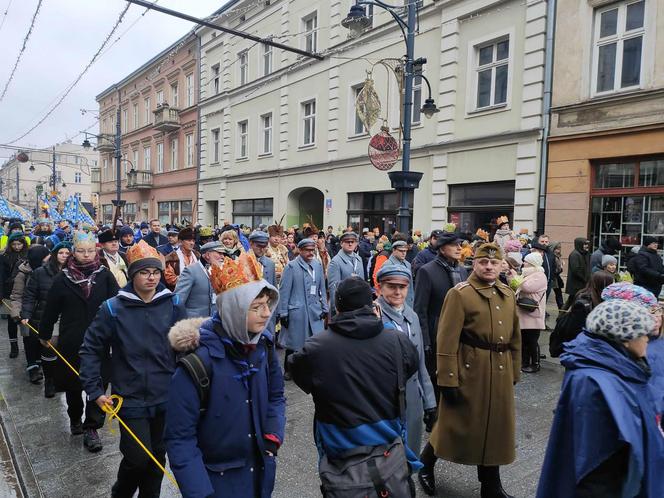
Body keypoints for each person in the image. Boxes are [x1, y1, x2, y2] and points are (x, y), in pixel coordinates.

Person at [165, 253, 285, 498]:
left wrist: (272, 437)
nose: (265, 314)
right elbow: (180, 439)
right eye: (256, 307)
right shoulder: (197, 364)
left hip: (259, 473)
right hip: (216, 481)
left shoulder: (264, 346)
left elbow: (276, 395)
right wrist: (200, 493)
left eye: (267, 305)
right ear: (234, 309)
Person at [288, 278, 421, 488]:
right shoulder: (396, 340)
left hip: (339, 442)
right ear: (372, 305)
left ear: (337, 307)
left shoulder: (316, 347)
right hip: (387, 439)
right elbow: (410, 367)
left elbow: (297, 372)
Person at [80, 240, 186, 498]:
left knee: (157, 455)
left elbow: (187, 347)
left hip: (166, 394)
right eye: (144, 272)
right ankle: (121, 493)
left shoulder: (173, 304)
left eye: (156, 272)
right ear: (132, 275)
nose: (151, 278)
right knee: (137, 457)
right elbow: (91, 348)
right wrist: (94, 390)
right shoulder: (112, 308)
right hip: (130, 397)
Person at [419, 243, 520, 498]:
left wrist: (514, 372)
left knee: (495, 427)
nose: (488, 267)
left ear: (501, 266)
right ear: (473, 264)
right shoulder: (460, 294)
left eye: (494, 263)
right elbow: (446, 339)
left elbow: (515, 338)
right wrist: (448, 378)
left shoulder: (507, 294)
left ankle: (491, 484)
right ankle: (425, 465)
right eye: (483, 262)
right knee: (452, 425)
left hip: (499, 369)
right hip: (469, 369)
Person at [537, 299, 664, 498]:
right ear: (624, 338)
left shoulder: (618, 365)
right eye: (643, 332)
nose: (648, 338)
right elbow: (594, 462)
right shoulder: (594, 381)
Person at [39, 231, 120, 453]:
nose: (86, 255)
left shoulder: (105, 276)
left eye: (90, 251)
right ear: (74, 252)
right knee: (74, 383)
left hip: (101, 340)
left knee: (100, 381)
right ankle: (75, 416)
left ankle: (92, 427)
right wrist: (44, 335)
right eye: (81, 251)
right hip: (72, 340)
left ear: (96, 251)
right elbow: (50, 310)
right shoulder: (62, 279)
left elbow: (119, 305)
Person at [375, 266, 436, 455]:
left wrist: (430, 402)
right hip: (384, 397)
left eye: (402, 287)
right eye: (391, 286)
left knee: (411, 447)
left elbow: (420, 363)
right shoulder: (373, 316)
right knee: (388, 453)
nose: (398, 292)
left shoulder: (412, 316)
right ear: (380, 288)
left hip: (412, 395)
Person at [413, 232, 468, 393]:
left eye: (460, 245)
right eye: (454, 245)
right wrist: (425, 340)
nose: (459, 248)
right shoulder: (427, 271)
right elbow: (420, 309)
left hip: (459, 331)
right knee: (436, 377)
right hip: (436, 329)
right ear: (442, 249)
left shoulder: (462, 271)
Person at [21, 241, 71, 398]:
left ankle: (59, 379)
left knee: (65, 351)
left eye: (67, 253)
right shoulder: (40, 272)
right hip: (48, 316)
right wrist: (26, 314)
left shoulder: (74, 271)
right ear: (55, 254)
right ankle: (49, 381)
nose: (64, 256)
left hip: (68, 317)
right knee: (49, 349)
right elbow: (29, 295)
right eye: (61, 253)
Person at [277, 238, 328, 380]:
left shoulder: (318, 265)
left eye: (313, 250)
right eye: (307, 250)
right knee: (294, 343)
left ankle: (310, 368)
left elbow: (322, 288)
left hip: (314, 310)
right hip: (297, 310)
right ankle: (289, 369)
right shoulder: (291, 267)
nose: (310, 253)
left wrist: (325, 307)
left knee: (314, 343)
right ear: (300, 250)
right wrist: (283, 312)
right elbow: (284, 291)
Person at [549, 270, 615, 358]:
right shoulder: (583, 303)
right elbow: (575, 330)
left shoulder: (602, 299)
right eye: (611, 285)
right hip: (580, 350)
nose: (613, 288)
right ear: (602, 285)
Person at [10, 244, 50, 383]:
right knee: (29, 341)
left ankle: (39, 365)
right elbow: (16, 295)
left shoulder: (49, 271)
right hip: (26, 314)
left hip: (43, 313)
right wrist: (17, 313)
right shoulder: (23, 274)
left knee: (42, 340)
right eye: (45, 257)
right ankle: (32, 368)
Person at [514, 252, 548, 373]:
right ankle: (524, 363)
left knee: (532, 342)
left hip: (533, 314)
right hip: (525, 312)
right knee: (524, 340)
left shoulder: (539, 275)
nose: (524, 263)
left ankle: (535, 364)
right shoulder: (529, 274)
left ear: (532, 263)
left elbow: (527, 287)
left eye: (526, 261)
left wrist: (515, 278)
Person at [174, 241, 224, 319]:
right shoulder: (190, 271)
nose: (222, 257)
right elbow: (178, 299)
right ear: (207, 255)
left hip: (214, 324)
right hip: (194, 324)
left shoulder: (222, 272)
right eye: (219, 253)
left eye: (223, 254)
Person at [0, 232, 29, 358]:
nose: (17, 247)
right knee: (12, 321)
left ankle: (27, 345)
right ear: (10, 244)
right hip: (9, 292)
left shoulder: (28, 255)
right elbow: (1, 276)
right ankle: (14, 346)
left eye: (19, 244)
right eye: (14, 244)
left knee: (25, 321)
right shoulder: (4, 257)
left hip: (25, 293)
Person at [327, 231, 364, 315]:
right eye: (347, 242)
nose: (350, 244)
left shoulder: (359, 259)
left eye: (353, 242)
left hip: (358, 305)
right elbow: (333, 287)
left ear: (356, 244)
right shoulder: (336, 261)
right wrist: (335, 308)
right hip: (343, 307)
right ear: (341, 243)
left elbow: (363, 283)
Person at [383, 239, 415, 308]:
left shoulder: (407, 264)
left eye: (405, 251)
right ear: (394, 250)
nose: (404, 253)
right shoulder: (388, 265)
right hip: (393, 302)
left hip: (407, 303)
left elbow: (410, 286)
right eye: (401, 251)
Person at [565, 237, 591, 308]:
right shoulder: (575, 254)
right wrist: (584, 278)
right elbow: (576, 270)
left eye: (587, 244)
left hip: (581, 284)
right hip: (576, 285)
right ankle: (561, 317)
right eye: (584, 244)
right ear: (579, 244)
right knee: (571, 301)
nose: (586, 246)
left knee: (572, 301)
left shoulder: (584, 253)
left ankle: (563, 316)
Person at [550, 242, 565, 311]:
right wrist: (561, 267)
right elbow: (556, 270)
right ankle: (561, 307)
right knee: (557, 293)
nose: (559, 250)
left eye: (560, 248)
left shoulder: (557, 256)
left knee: (558, 293)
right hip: (554, 278)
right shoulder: (554, 257)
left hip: (556, 278)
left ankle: (561, 307)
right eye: (557, 248)